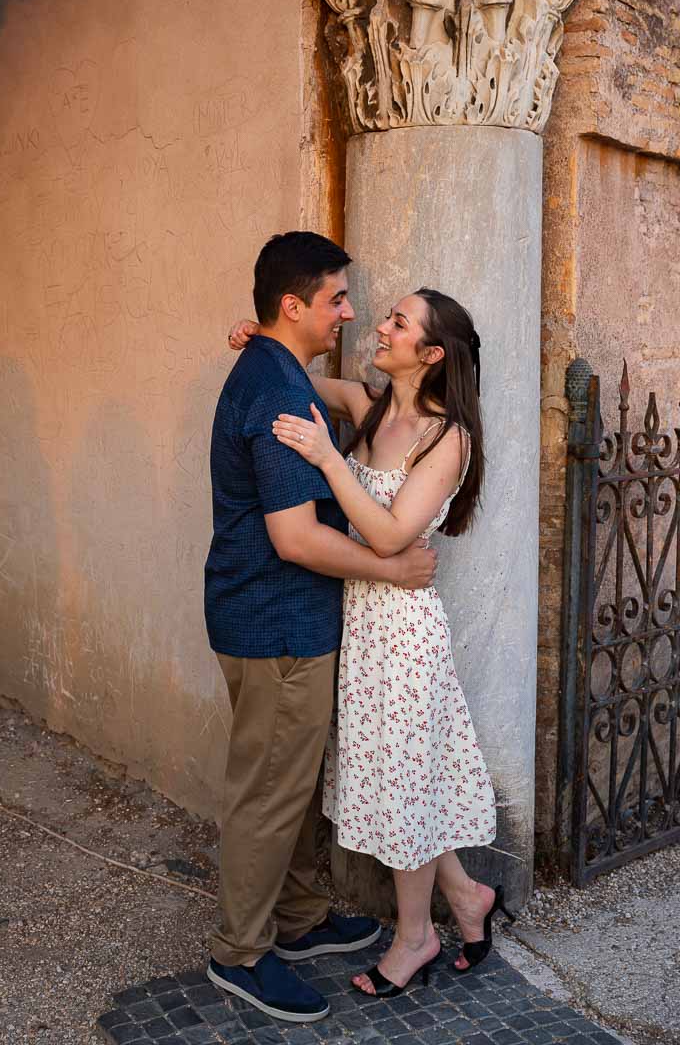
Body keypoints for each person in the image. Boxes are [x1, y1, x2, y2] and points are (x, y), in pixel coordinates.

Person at [229, 287, 506, 1000]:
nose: (380, 327)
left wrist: (328, 460)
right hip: (356, 620)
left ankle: (416, 938)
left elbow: (389, 535)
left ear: (432, 353)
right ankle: (469, 901)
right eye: (385, 316)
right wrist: (257, 343)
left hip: (404, 635)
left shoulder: (447, 439)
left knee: (406, 784)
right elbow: (292, 378)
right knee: (407, 778)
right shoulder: (366, 403)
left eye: (398, 323)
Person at [204, 233, 438, 1023]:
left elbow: (343, 403)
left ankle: (299, 919)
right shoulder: (275, 391)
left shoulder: (283, 371)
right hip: (273, 624)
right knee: (269, 791)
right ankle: (240, 952)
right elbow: (295, 538)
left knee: (294, 783)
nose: (351, 313)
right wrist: (396, 569)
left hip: (289, 621)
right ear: (293, 306)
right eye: (338, 299)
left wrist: (257, 337)